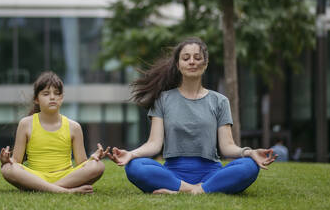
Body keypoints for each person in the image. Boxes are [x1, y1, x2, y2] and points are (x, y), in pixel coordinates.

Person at [107, 37, 277, 195]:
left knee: (249, 166)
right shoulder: (163, 99)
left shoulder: (220, 101)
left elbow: (227, 147)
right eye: (186, 57)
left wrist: (250, 152)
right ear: (178, 64)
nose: (192, 62)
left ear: (206, 63)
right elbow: (154, 144)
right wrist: (131, 154)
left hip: (211, 172)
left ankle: (189, 190)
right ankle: (195, 190)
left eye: (197, 57)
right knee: (135, 166)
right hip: (173, 172)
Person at [0, 71, 109, 194]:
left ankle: (44, 189)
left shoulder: (74, 127)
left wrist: (92, 159)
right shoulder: (26, 124)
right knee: (7, 169)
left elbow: (81, 164)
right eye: (46, 94)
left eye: (57, 94)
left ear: (61, 98)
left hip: (66, 177)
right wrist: (6, 161)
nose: (52, 97)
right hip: (35, 176)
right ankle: (65, 191)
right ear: (36, 99)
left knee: (98, 166)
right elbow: (16, 161)